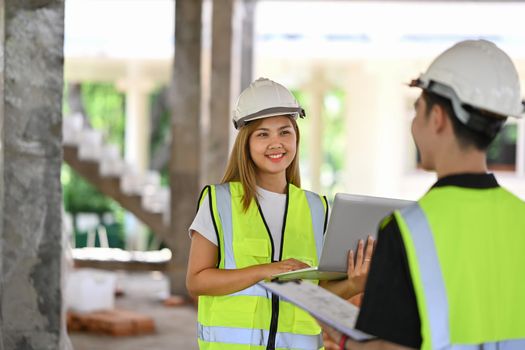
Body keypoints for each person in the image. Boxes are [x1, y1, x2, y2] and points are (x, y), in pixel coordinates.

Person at [324, 39, 525, 350]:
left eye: (416, 110)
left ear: (438, 118)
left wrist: (345, 342)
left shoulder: (407, 230)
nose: (414, 124)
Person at [186, 77, 371, 350]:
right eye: (263, 134)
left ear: (296, 137)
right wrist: (266, 270)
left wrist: (354, 284)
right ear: (246, 142)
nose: (277, 143)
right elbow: (197, 281)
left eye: (285, 132)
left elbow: (316, 295)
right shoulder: (219, 202)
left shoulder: (316, 208)